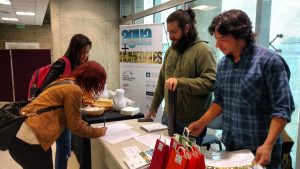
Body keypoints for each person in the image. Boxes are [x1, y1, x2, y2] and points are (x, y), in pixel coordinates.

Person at [188, 9, 294, 169]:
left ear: (241, 35)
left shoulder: (270, 62)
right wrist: (202, 123)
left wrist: (268, 145)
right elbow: (220, 101)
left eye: (222, 39)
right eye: (216, 39)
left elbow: (282, 109)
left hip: (261, 150)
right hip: (232, 150)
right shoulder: (223, 64)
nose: (217, 45)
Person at [8, 61, 107, 169]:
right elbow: (75, 127)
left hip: (20, 138)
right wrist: (99, 131)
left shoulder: (65, 81)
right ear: (91, 81)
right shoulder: (74, 90)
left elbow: (72, 117)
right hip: (30, 143)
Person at [145, 8, 217, 145]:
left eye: (174, 32)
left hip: (192, 122)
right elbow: (162, 80)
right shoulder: (171, 50)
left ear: (186, 28)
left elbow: (211, 83)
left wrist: (180, 82)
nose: (171, 36)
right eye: (169, 32)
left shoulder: (204, 51)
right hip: (168, 116)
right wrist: (154, 107)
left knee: (185, 163)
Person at [37, 34, 92, 169]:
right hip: (55, 114)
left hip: (67, 114)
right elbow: (44, 89)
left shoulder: (78, 65)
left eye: (87, 52)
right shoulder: (62, 63)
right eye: (83, 52)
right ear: (75, 50)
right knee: (63, 150)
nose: (85, 55)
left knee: (65, 149)